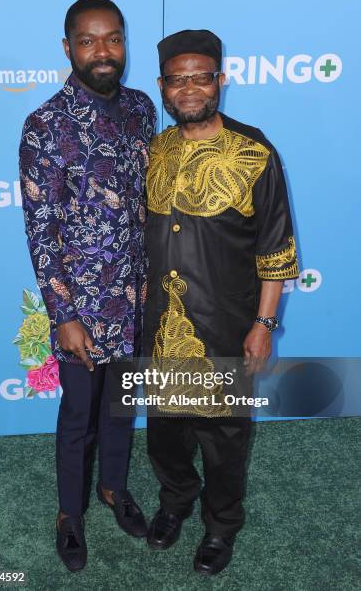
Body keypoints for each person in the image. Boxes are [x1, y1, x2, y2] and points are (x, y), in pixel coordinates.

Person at [143, 29, 299, 576]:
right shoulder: (156, 150)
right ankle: (175, 501)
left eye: (201, 78)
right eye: (178, 79)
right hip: (160, 329)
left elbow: (276, 248)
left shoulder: (254, 153)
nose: (190, 89)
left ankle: (221, 524)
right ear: (162, 86)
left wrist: (263, 323)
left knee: (224, 438)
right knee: (164, 432)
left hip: (226, 327)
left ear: (221, 81)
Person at [19, 0, 156, 572]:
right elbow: (41, 231)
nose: (103, 52)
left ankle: (113, 488)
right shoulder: (44, 126)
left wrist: (152, 287)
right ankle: (69, 513)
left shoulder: (143, 110)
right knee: (78, 416)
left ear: (124, 42)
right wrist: (63, 314)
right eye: (88, 40)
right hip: (80, 305)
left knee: (121, 408)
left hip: (137, 298)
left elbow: (147, 206)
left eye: (113, 39)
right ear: (68, 47)